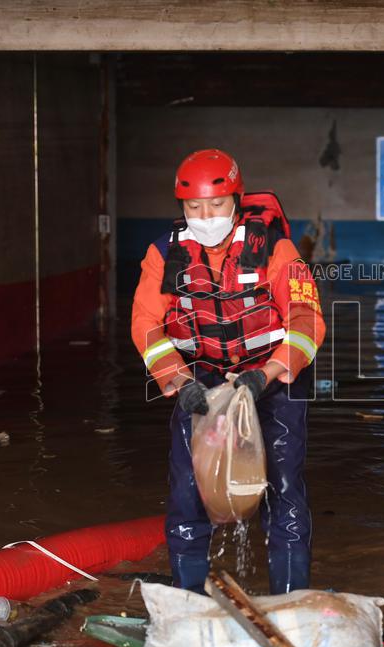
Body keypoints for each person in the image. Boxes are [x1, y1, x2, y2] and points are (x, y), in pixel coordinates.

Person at [131, 148, 325, 594]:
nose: (205, 215)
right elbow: (144, 323)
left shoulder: (274, 249)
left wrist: (269, 372)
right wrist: (179, 382)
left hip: (272, 381)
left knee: (283, 489)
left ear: (236, 201)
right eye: (193, 207)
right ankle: (187, 602)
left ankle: (290, 600)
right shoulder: (165, 253)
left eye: (216, 206)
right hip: (199, 383)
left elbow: (307, 318)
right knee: (187, 491)